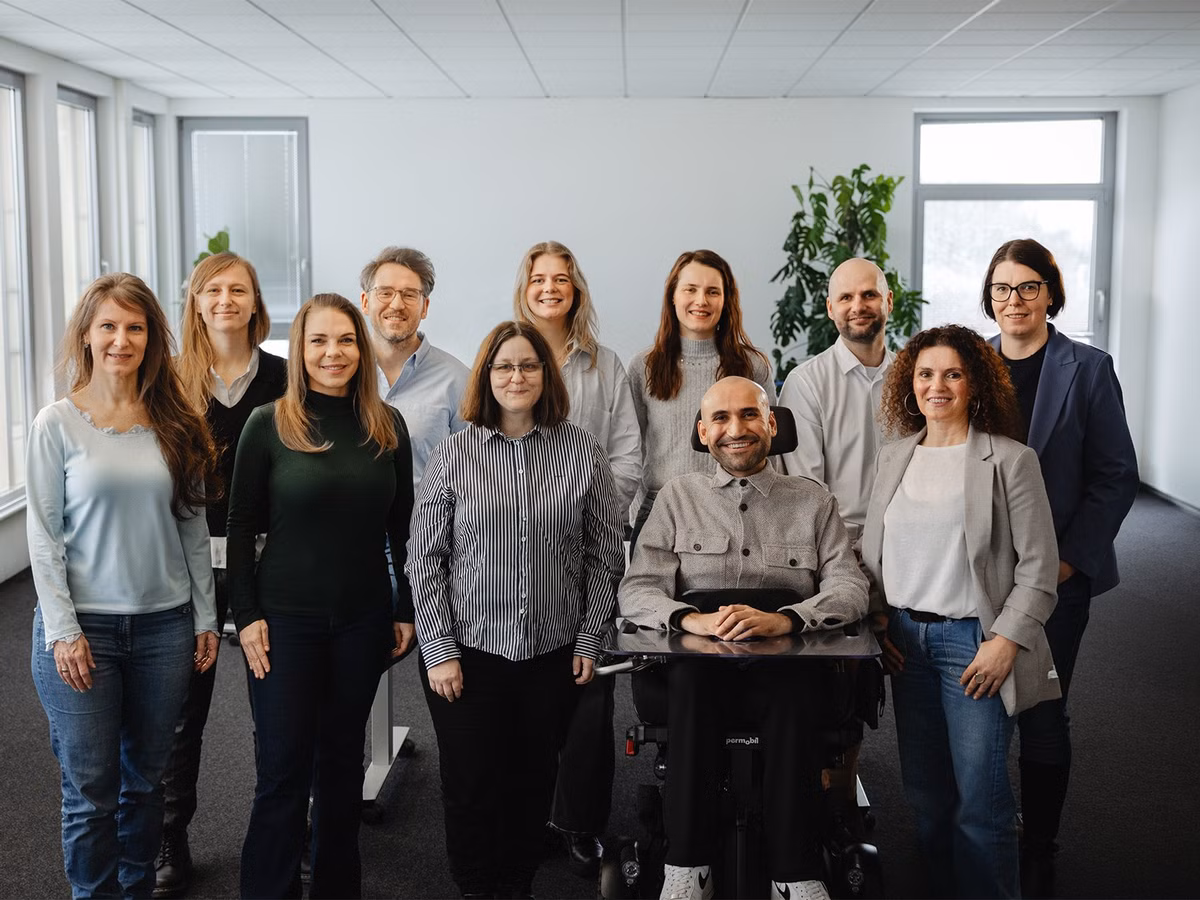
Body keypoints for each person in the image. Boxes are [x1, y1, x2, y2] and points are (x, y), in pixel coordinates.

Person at [620, 376, 869, 900]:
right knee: (689, 683)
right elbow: (638, 589)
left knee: (795, 689)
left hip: (788, 661)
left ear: (772, 424)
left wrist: (791, 619)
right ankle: (686, 867)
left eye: (750, 415)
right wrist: (691, 619)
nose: (737, 429)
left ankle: (795, 870)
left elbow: (850, 587)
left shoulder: (813, 500)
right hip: (695, 663)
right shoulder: (676, 498)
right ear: (702, 431)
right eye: (723, 419)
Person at [407, 321, 624, 899]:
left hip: (550, 657)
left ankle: (518, 884)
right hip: (467, 658)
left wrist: (587, 642)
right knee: (472, 784)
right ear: (486, 376)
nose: (516, 376)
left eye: (528, 365)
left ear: (545, 376)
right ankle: (478, 887)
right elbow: (425, 558)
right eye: (503, 366)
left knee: (532, 782)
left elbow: (606, 557)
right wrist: (438, 652)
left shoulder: (583, 450)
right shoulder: (455, 451)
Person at [26, 273, 220, 899]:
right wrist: (63, 632)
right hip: (84, 631)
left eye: (135, 327)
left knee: (146, 784)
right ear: (86, 335)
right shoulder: (56, 423)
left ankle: (136, 891)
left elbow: (193, 527)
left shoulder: (177, 420)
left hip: (164, 627)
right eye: (108, 326)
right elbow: (43, 537)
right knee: (91, 791)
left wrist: (203, 619)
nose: (121, 339)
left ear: (153, 339)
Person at [862, 325, 1060, 899]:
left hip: (974, 646)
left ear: (975, 383)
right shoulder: (895, 455)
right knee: (926, 799)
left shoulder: (1011, 461)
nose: (937, 385)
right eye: (925, 374)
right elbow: (876, 550)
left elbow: (1039, 571)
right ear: (910, 383)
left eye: (952, 373)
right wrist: (877, 621)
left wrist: (1004, 642)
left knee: (982, 803)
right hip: (905, 645)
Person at [227, 293, 413, 899]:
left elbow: (399, 528)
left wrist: (403, 608)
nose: (333, 353)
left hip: (361, 623)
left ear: (361, 349)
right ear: (299, 350)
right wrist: (246, 615)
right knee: (282, 773)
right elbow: (239, 526)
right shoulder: (269, 424)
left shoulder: (388, 427)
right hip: (284, 624)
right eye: (319, 341)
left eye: (345, 341)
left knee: (340, 771)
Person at [980, 239, 1139, 896]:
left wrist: (1070, 560)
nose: (1013, 301)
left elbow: (1114, 475)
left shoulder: (1089, 368)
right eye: (1001, 289)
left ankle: (1039, 843)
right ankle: (984, 828)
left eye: (1026, 287)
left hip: (1056, 579)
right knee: (979, 708)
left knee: (1042, 708)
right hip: (976, 571)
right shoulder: (969, 364)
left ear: (1051, 292)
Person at [154, 252, 287, 898]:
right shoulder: (172, 383)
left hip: (270, 564)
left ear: (256, 302)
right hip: (192, 568)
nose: (226, 299)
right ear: (197, 303)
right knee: (183, 713)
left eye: (239, 289)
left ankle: (288, 836)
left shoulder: (289, 380)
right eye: (214, 290)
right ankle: (168, 838)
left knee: (279, 711)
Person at [512, 240, 641, 874]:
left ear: (576, 289)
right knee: (524, 684)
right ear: (525, 287)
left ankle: (583, 820)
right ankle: (529, 812)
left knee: (589, 688)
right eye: (539, 279)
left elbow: (627, 457)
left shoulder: (605, 364)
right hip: (515, 552)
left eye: (561, 279)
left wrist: (592, 514)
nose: (550, 289)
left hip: (589, 546)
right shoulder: (506, 354)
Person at [628, 250, 776, 550]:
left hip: (737, 504)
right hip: (660, 508)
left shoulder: (752, 366)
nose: (701, 301)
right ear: (673, 296)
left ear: (726, 300)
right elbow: (630, 448)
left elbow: (770, 445)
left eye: (712, 292)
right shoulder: (644, 366)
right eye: (690, 290)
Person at [779, 257, 895, 548]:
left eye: (870, 294)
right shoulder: (805, 383)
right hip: (836, 545)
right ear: (831, 308)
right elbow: (807, 491)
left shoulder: (916, 379)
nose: (858, 306)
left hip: (905, 538)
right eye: (846, 297)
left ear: (889, 301)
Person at [360, 245, 469, 487]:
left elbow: (473, 475)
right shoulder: (341, 376)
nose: (397, 304)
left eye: (409, 294)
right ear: (365, 302)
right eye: (385, 293)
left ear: (425, 307)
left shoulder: (459, 382)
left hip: (425, 524)